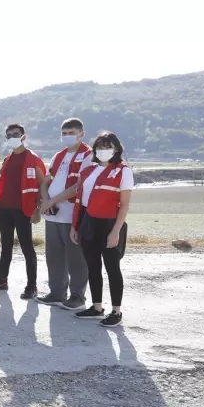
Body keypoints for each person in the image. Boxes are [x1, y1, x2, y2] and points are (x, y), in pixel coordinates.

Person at [67, 131, 132, 328]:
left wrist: (116, 231)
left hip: (110, 224)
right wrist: (75, 226)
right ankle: (96, 307)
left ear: (116, 148)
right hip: (89, 222)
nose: (103, 150)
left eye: (108, 146)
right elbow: (81, 202)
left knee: (112, 268)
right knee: (93, 266)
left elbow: (125, 205)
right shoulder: (88, 171)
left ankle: (116, 311)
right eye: (100, 146)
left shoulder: (123, 171)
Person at [36, 118, 92, 310]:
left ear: (81, 134)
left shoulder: (88, 155)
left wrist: (53, 200)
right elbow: (45, 181)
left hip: (72, 214)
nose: (68, 136)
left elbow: (80, 186)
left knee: (76, 256)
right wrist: (45, 201)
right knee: (54, 254)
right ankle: (57, 292)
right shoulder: (58, 156)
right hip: (52, 214)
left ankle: (77, 295)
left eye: (72, 133)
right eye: (65, 133)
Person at [0, 124, 45, 298]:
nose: (12, 137)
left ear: (24, 136)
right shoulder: (8, 159)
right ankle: (2, 281)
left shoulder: (33, 159)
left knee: (27, 248)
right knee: (6, 246)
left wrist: (38, 209)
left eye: (15, 134)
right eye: (9, 135)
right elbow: (4, 186)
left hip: (24, 210)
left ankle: (31, 286)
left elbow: (42, 184)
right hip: (5, 209)